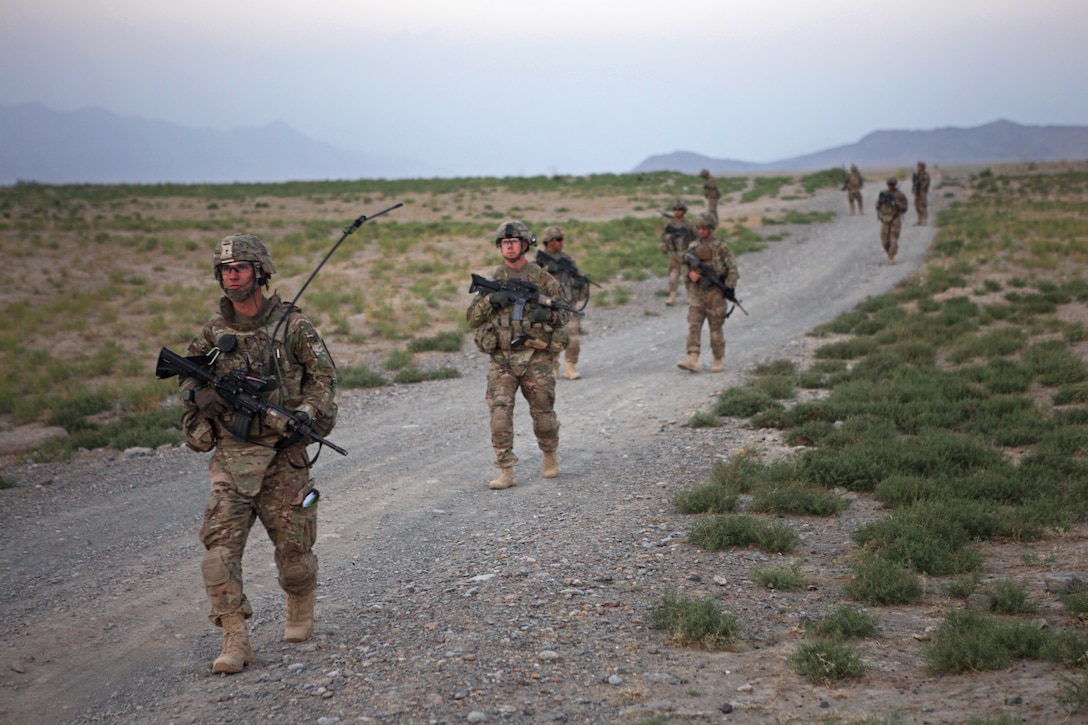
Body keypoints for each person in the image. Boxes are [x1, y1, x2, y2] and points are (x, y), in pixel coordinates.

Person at [178, 234, 338, 674]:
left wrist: (304, 412)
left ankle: (300, 601)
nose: (232, 275)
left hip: (283, 455)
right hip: (231, 457)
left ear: (260, 273)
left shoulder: (293, 327)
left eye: (241, 267)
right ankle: (235, 637)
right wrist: (205, 398)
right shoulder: (213, 332)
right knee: (218, 553)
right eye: (226, 269)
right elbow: (187, 381)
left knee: (295, 557)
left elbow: (324, 379)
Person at [467, 221, 569, 490]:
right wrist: (491, 301)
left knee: (544, 413)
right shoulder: (494, 280)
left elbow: (565, 315)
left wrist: (546, 314)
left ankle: (549, 455)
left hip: (536, 356)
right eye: (504, 242)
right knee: (499, 415)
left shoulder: (543, 279)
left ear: (525, 245)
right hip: (502, 358)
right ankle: (506, 470)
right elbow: (472, 319)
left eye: (514, 241)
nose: (509, 245)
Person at [677, 214, 740, 373]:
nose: (702, 231)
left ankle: (717, 359)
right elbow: (684, 264)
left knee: (715, 328)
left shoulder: (721, 247)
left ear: (711, 228)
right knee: (694, 325)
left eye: (705, 228)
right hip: (698, 293)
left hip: (715, 294)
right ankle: (692, 359)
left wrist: (729, 286)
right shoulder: (693, 246)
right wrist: (690, 275)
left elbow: (732, 269)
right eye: (699, 228)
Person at [536, 225, 588, 380]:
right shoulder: (539, 260)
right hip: (549, 305)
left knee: (573, 335)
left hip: (568, 304)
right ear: (549, 241)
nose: (561, 242)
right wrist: (547, 268)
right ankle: (553, 366)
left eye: (561, 239)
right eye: (558, 240)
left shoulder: (566, 258)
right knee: (550, 337)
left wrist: (580, 282)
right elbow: (532, 281)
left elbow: (578, 275)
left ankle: (570, 366)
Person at [660, 199, 696, 306]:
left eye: (679, 209)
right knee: (673, 277)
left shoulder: (688, 224)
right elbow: (663, 236)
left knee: (687, 277)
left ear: (684, 211)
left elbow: (696, 237)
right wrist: (670, 237)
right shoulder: (670, 224)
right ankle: (672, 297)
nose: (677, 211)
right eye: (675, 209)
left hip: (685, 253)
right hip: (674, 254)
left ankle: (689, 296)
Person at [876, 177, 909, 264]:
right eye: (889, 185)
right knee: (884, 241)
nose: (891, 186)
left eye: (892, 185)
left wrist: (897, 205)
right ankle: (889, 252)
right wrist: (879, 203)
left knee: (893, 239)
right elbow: (877, 205)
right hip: (885, 219)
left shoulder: (899, 195)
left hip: (895, 219)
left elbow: (905, 207)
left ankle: (891, 257)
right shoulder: (883, 194)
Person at [912, 161, 931, 226]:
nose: (918, 168)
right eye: (918, 166)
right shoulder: (917, 174)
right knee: (917, 206)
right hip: (917, 192)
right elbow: (915, 183)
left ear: (922, 167)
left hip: (922, 192)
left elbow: (925, 184)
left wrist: (919, 183)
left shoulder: (925, 175)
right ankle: (919, 220)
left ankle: (925, 219)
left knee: (923, 206)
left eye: (919, 167)